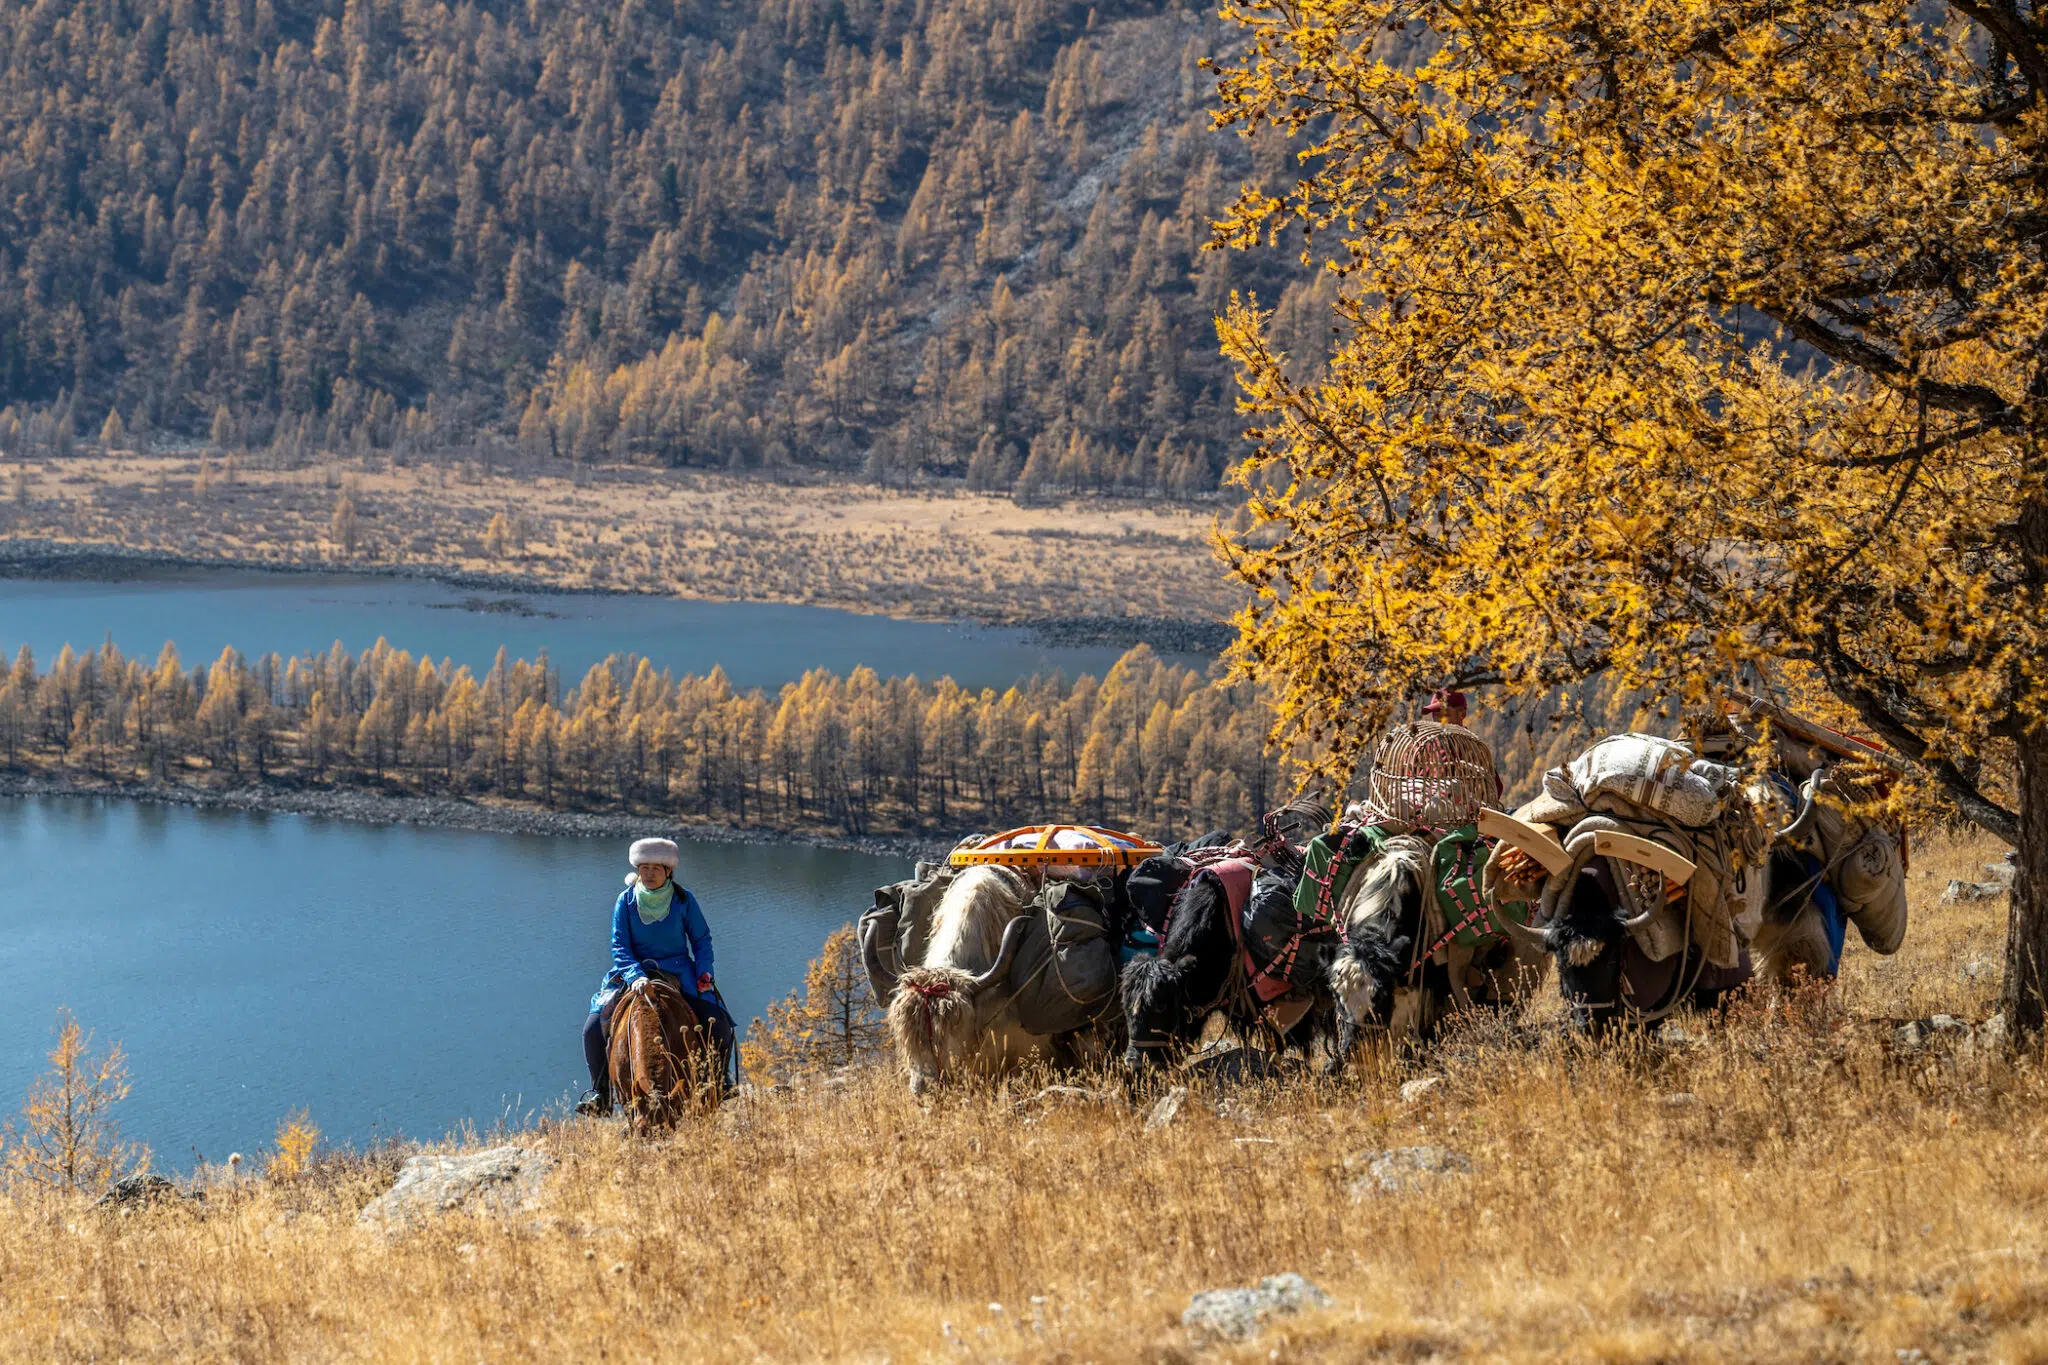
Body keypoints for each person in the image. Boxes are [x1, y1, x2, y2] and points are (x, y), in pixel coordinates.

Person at [576, 837, 735, 1115]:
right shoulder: (625, 901)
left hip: (679, 970)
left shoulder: (684, 900)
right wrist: (635, 974)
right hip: (630, 973)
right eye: (644, 867)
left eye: (656, 868)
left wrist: (705, 971)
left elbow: (701, 939)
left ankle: (720, 1081)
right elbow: (619, 945)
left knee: (718, 1020)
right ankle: (600, 1093)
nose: (649, 874)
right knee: (592, 1027)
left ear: (668, 871)